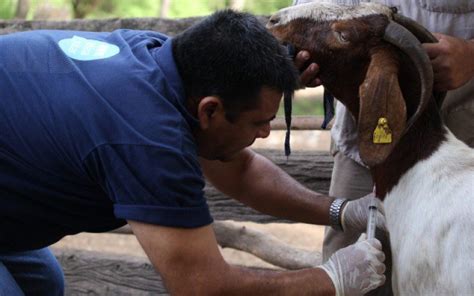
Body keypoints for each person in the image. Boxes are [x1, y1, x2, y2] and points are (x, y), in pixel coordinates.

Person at [0, 9, 386, 296]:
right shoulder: (146, 135)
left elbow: (240, 171)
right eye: (257, 123)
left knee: (42, 285)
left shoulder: (162, 61)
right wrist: (331, 278)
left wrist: (340, 211)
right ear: (210, 110)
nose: (267, 132)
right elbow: (202, 286)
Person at [292, 0, 474, 294]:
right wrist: (304, 48)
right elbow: (311, 10)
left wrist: (472, 55)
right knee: (347, 276)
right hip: (366, 134)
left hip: (460, 147)